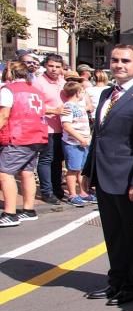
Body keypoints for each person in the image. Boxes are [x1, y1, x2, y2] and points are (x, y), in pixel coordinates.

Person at [81, 45, 133, 306]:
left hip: (129, 180)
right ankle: (115, 280)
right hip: (103, 176)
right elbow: (98, 136)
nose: (119, 65)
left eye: (125, 60)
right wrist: (87, 170)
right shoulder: (107, 93)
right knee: (113, 233)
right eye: (114, 60)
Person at [0, 61, 47, 227]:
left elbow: (4, 115)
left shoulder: (9, 90)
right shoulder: (35, 90)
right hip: (37, 135)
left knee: (5, 173)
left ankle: (10, 212)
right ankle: (28, 209)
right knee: (26, 172)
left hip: (19, 135)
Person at [33, 53, 68, 205]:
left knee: (58, 161)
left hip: (63, 128)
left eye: (57, 67)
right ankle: (47, 192)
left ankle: (57, 189)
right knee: (47, 159)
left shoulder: (62, 81)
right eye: (51, 66)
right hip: (46, 127)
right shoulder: (38, 82)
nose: (54, 69)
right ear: (45, 66)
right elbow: (34, 105)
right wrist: (54, 111)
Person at [59, 81, 93, 207]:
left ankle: (83, 192)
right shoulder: (68, 106)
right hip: (72, 143)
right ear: (78, 93)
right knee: (73, 169)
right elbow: (67, 126)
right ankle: (73, 194)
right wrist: (80, 139)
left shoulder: (80, 105)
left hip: (84, 142)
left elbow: (90, 107)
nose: (84, 94)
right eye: (83, 91)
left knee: (82, 169)